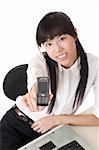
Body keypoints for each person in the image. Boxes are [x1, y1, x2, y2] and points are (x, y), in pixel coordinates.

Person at [0, 11, 99, 150]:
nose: (57, 49)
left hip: (52, 131)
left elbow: (97, 118)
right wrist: (39, 97)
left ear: (75, 34)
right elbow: (39, 82)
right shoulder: (40, 61)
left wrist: (57, 120)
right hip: (15, 127)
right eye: (49, 44)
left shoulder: (94, 66)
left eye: (62, 39)